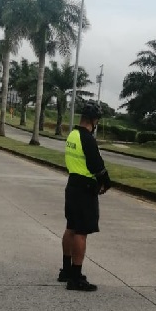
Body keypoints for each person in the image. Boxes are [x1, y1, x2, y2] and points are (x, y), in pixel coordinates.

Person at [58, 100, 111, 291]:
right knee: (81, 232)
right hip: (85, 189)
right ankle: (76, 277)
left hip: (72, 185)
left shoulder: (72, 134)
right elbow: (97, 165)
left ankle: (66, 270)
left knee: (70, 227)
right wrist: (107, 182)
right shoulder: (87, 138)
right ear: (94, 120)